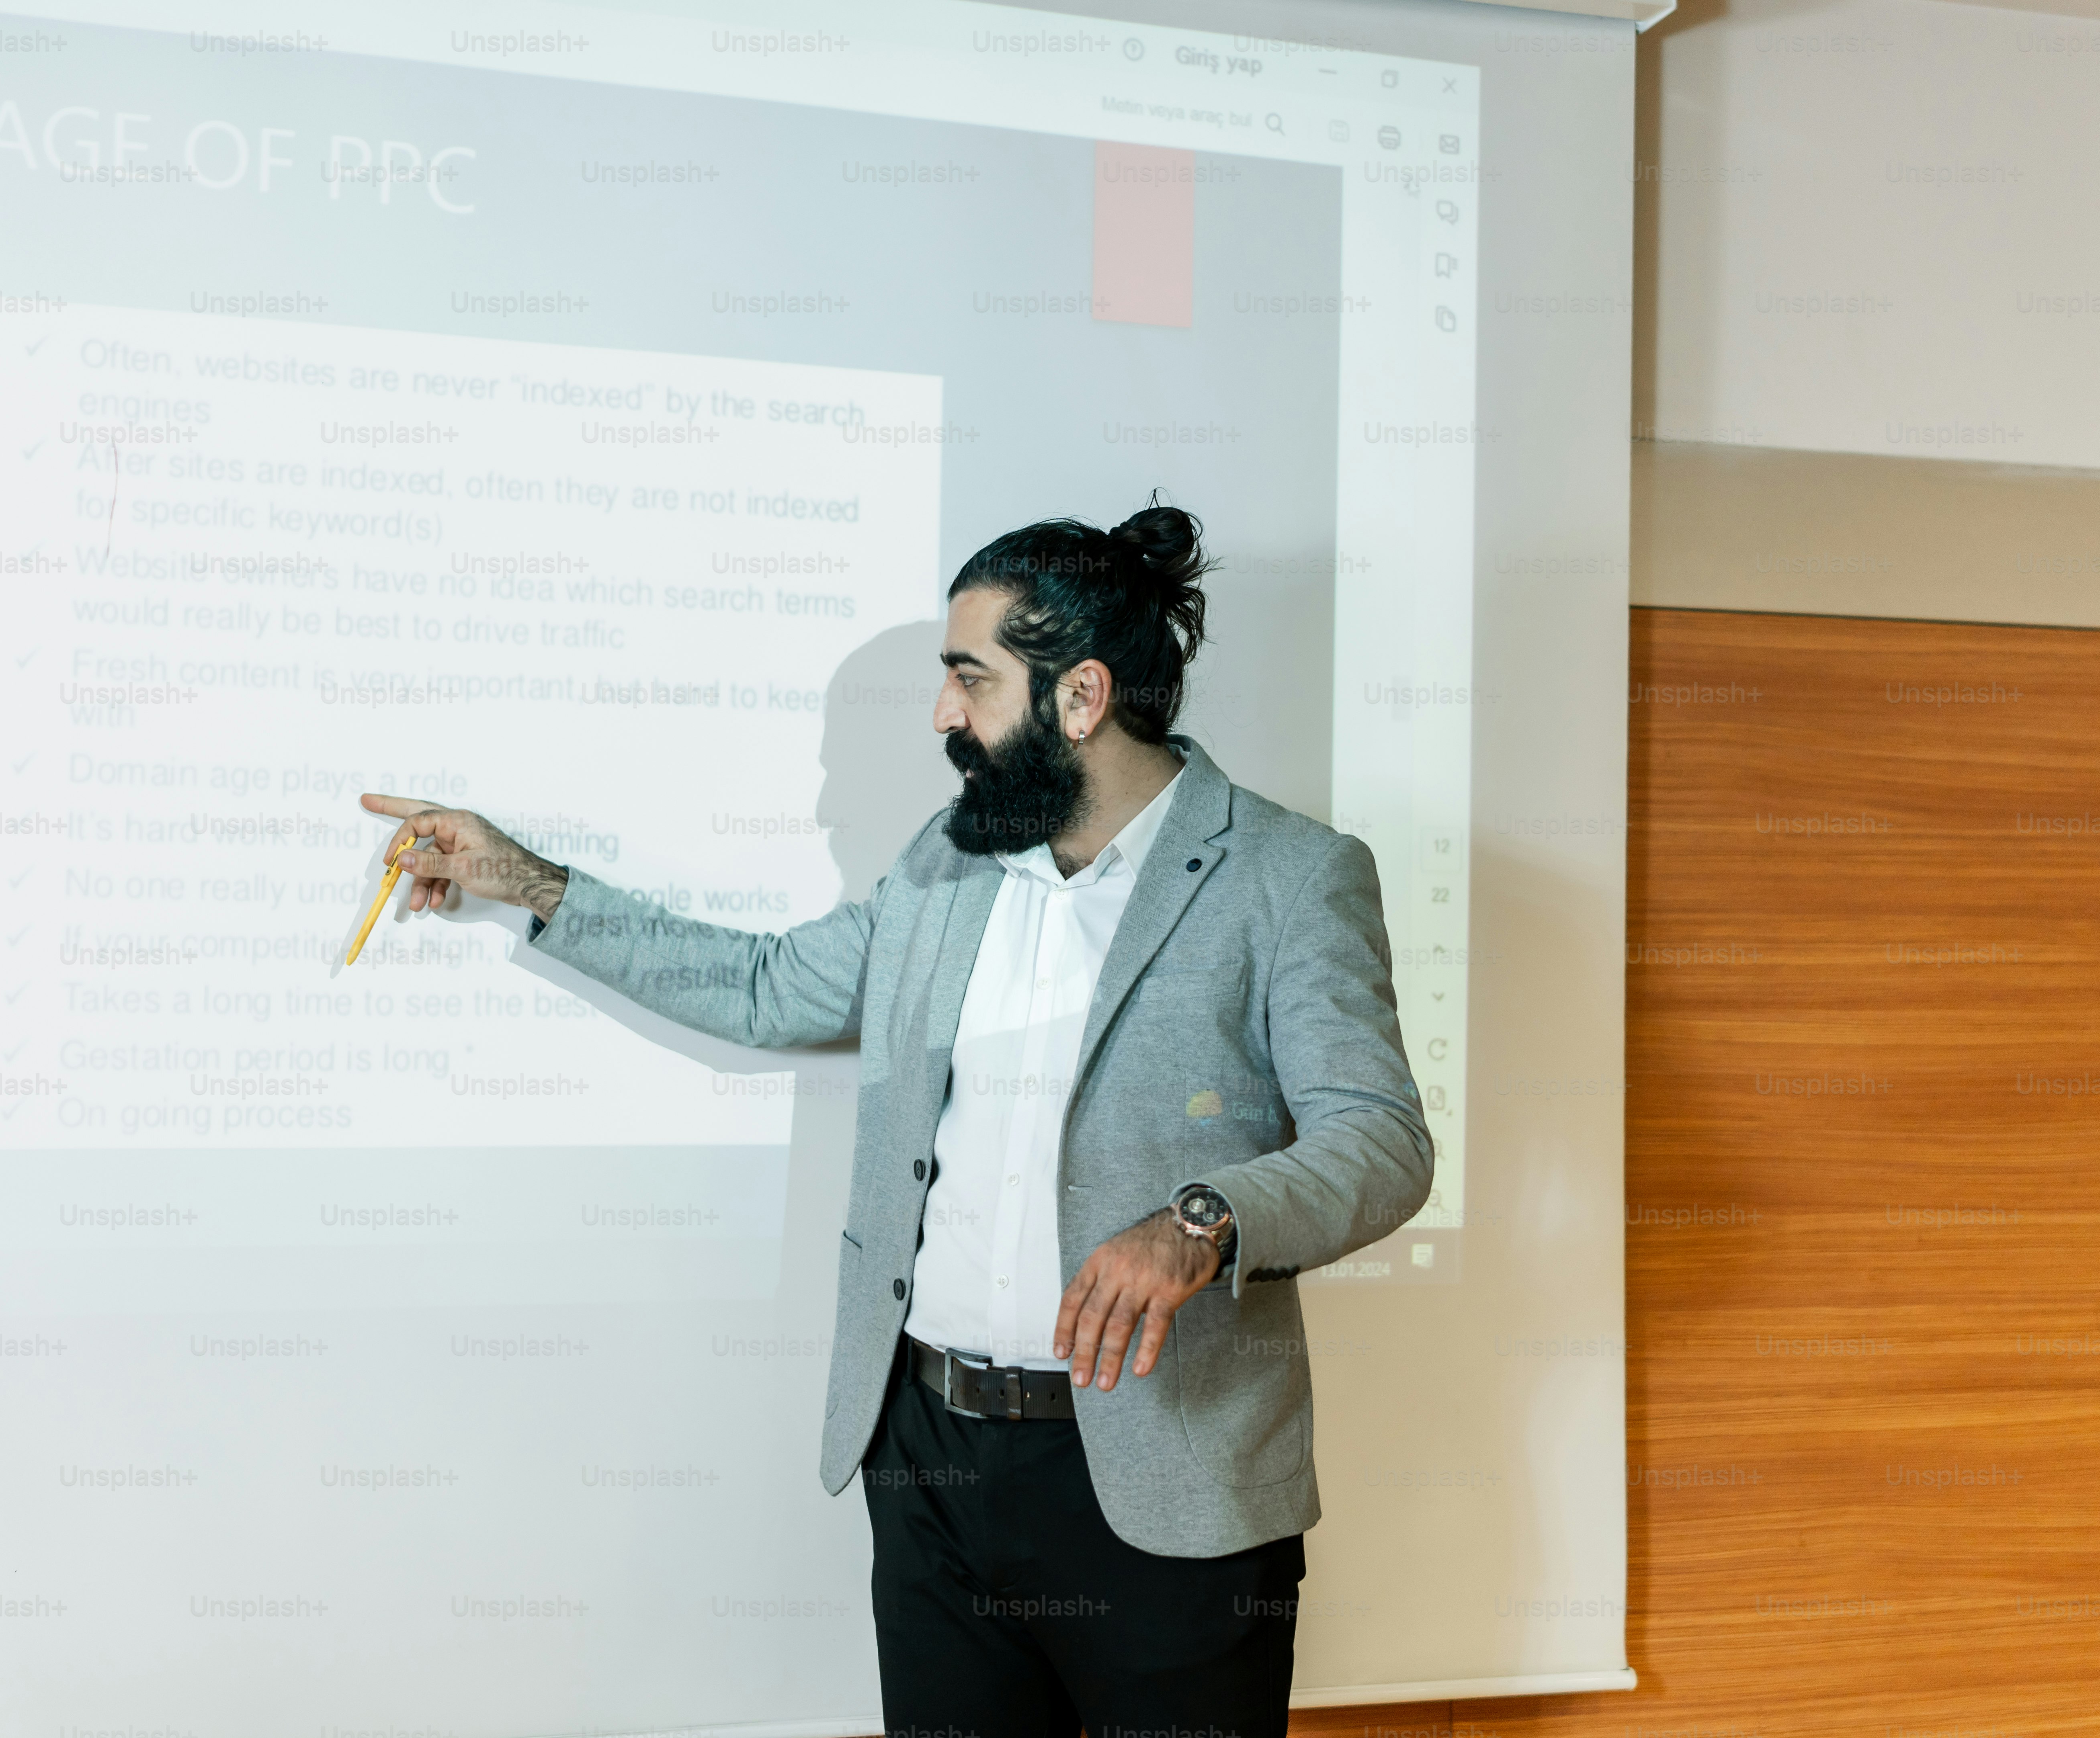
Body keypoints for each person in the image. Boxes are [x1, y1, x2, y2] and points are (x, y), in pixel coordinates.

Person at [359, 502, 1432, 1737]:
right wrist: (525, 880)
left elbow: (1381, 1139)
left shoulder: (1287, 878)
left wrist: (1202, 1222)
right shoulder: (947, 863)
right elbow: (768, 989)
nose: (941, 715)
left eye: (969, 679)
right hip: (932, 1470)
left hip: (1166, 1478)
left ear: (1082, 697)